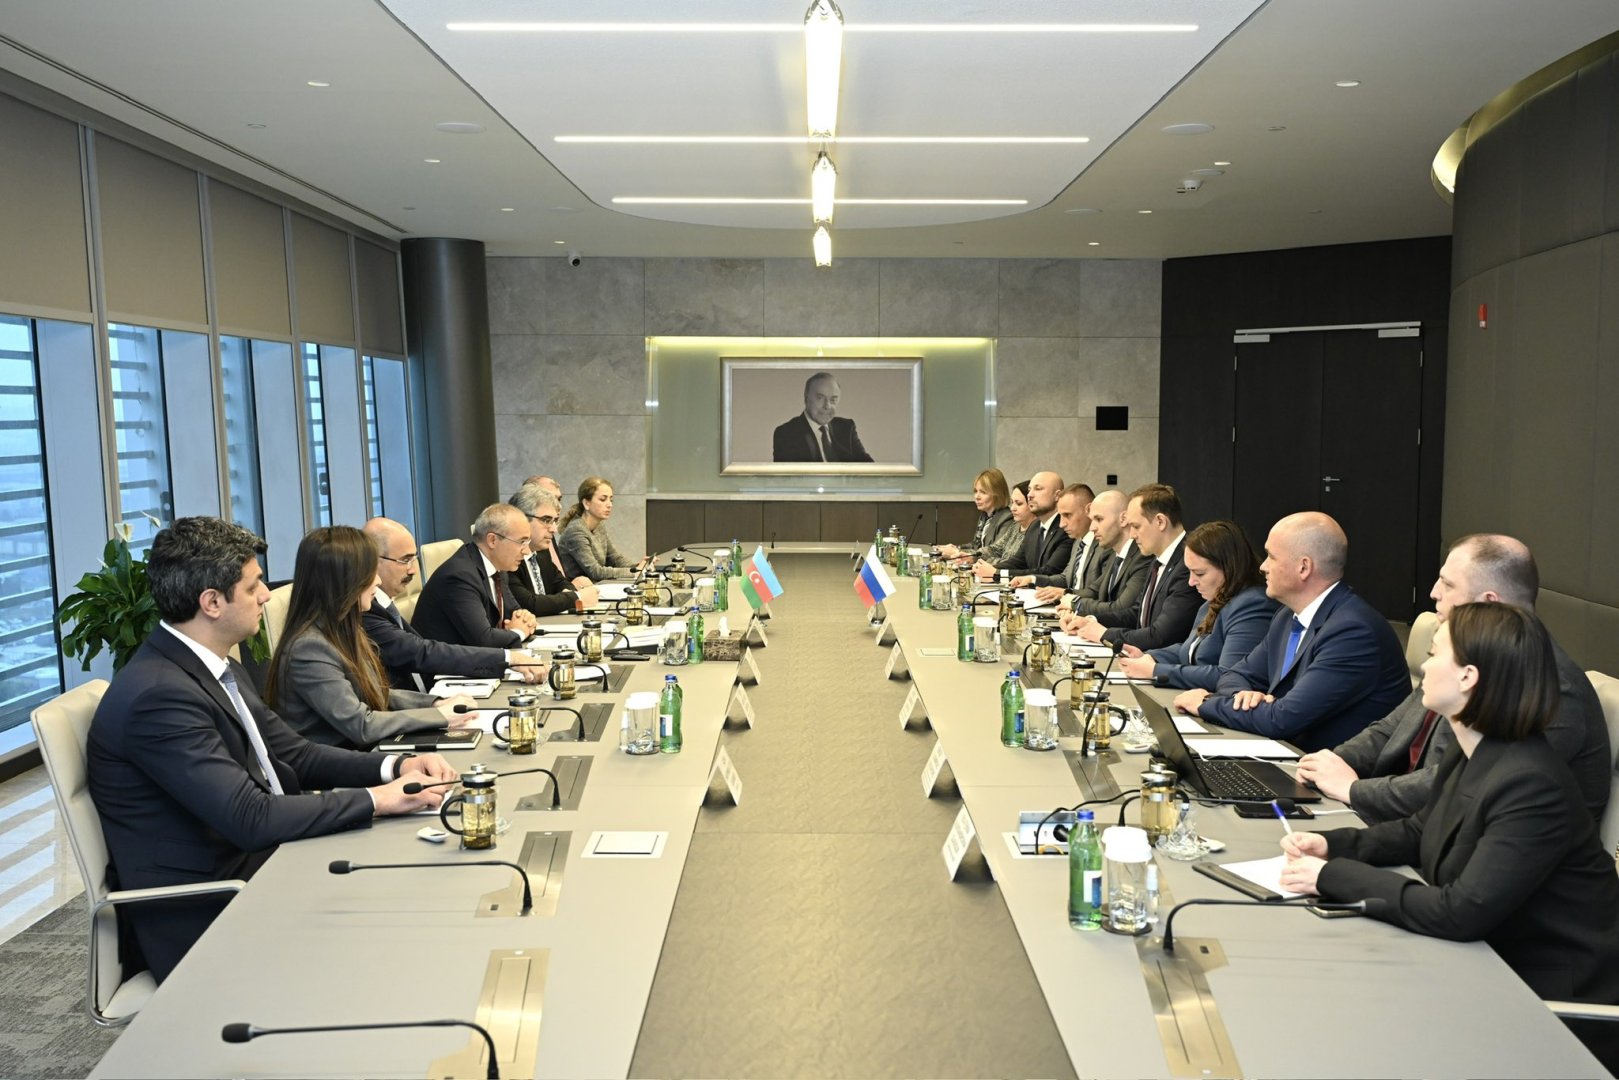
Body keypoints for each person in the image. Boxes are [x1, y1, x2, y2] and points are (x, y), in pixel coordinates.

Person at [85, 517, 455, 983]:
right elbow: (251, 816)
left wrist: (396, 766)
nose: (266, 595)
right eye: (253, 585)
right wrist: (377, 801)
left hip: (261, 864)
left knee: (416, 874)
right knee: (403, 909)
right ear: (212, 602)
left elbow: (296, 755)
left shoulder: (216, 668)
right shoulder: (159, 697)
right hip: (210, 907)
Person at [1279, 603, 1619, 1028]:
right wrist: (1333, 845)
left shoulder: (1532, 784)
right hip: (1483, 963)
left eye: (1434, 653)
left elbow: (1460, 911)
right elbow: (1420, 829)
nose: (1423, 665)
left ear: (1467, 677)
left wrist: (1332, 877)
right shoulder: (1474, 747)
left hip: (1550, 1000)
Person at [1296, 534, 1610, 824]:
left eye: (1447, 584)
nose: (1433, 593)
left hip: (1493, 849)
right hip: (1416, 825)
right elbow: (1391, 728)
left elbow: (1465, 785)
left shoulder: (1550, 689)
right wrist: (1325, 767)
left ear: (1487, 603)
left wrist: (1353, 790)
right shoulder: (1460, 653)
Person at [1173, 511, 1409, 752]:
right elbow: (1235, 674)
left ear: (1303, 567)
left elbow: (1282, 719)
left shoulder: (1353, 632)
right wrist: (1241, 696)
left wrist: (1205, 703)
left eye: (1271, 557)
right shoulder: (1287, 616)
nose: (1263, 566)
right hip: (1290, 755)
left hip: (1331, 768)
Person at [265, 527, 478, 750]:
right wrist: (439, 716)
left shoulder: (343, 628)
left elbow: (374, 693)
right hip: (341, 764)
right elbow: (361, 724)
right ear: (344, 581)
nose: (377, 581)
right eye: (369, 574)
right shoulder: (309, 648)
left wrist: (436, 703)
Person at [360, 517, 546, 690]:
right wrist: (509, 657)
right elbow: (422, 652)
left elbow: (515, 612)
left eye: (414, 559)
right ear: (371, 561)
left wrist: (522, 623)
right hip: (421, 699)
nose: (414, 570)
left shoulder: (382, 604)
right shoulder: (365, 611)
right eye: (405, 560)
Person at [1117, 520, 1278, 690]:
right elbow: (1190, 651)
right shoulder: (1212, 601)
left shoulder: (1252, 605)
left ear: (1229, 568)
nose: (1191, 582)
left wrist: (1155, 670)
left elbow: (1230, 676)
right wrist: (1149, 656)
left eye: (1199, 573)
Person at [1065, 483, 1200, 650]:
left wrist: (1104, 634)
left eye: (1136, 526)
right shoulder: (1157, 558)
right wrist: (1091, 621)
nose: (1132, 534)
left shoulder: (1188, 564)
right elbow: (1136, 613)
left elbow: (1160, 636)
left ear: (1160, 522)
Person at [412, 503, 541, 648]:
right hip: (448, 662)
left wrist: (526, 620)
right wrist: (519, 632)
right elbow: (484, 640)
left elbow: (516, 614)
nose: (526, 551)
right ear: (492, 540)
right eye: (522, 542)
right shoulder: (459, 577)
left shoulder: (498, 568)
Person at [1058, 490, 1149, 629]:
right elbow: (1094, 591)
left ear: (1123, 519)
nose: (1092, 528)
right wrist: (1066, 598)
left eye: (1099, 519)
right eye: (1092, 520)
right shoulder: (1114, 554)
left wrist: (1075, 603)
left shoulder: (1142, 556)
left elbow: (1122, 608)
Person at [508, 484, 598, 616]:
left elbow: (561, 582)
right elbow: (529, 604)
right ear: (521, 518)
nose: (554, 529)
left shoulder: (542, 552)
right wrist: (577, 597)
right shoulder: (507, 557)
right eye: (546, 520)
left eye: (555, 521)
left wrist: (569, 594)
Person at [974, 470, 1070, 579]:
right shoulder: (1035, 526)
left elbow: (1049, 572)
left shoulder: (1065, 528)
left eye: (1038, 489)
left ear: (1057, 495)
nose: (1030, 495)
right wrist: (987, 570)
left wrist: (997, 573)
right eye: (1029, 490)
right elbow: (1018, 561)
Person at [1013, 483, 1095, 604]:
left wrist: (1065, 594)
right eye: (1060, 516)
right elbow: (1065, 578)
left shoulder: (1104, 547)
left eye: (1067, 515)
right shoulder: (1079, 542)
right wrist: (1032, 579)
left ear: (1088, 510)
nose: (1062, 524)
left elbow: (1097, 594)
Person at [557, 477, 647, 582]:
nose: (609, 505)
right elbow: (596, 572)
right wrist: (634, 572)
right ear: (586, 503)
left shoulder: (599, 526)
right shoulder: (575, 531)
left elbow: (613, 557)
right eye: (603, 499)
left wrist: (637, 567)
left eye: (611, 500)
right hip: (580, 590)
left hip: (597, 586)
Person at [771, 371, 873, 463]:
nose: (827, 406)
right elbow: (789, 476)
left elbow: (868, 468)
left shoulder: (846, 428)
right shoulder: (786, 433)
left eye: (833, 400)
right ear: (806, 398)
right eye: (820, 398)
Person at [938, 468, 1019, 566]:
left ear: (997, 494)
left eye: (983, 492)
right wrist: (956, 548)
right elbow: (975, 546)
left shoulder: (1007, 518)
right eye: (976, 491)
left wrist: (956, 553)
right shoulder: (985, 515)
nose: (977, 496)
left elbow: (996, 552)